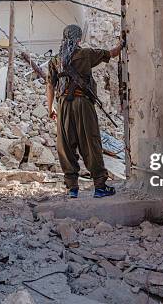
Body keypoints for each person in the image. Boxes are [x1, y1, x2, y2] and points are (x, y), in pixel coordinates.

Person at [46, 24, 123, 199]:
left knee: (65, 146)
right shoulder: (86, 54)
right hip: (82, 104)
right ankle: (100, 187)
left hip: (63, 104)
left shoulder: (56, 60)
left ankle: (72, 188)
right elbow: (112, 53)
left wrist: (50, 107)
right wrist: (123, 44)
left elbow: (50, 85)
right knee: (90, 143)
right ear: (79, 39)